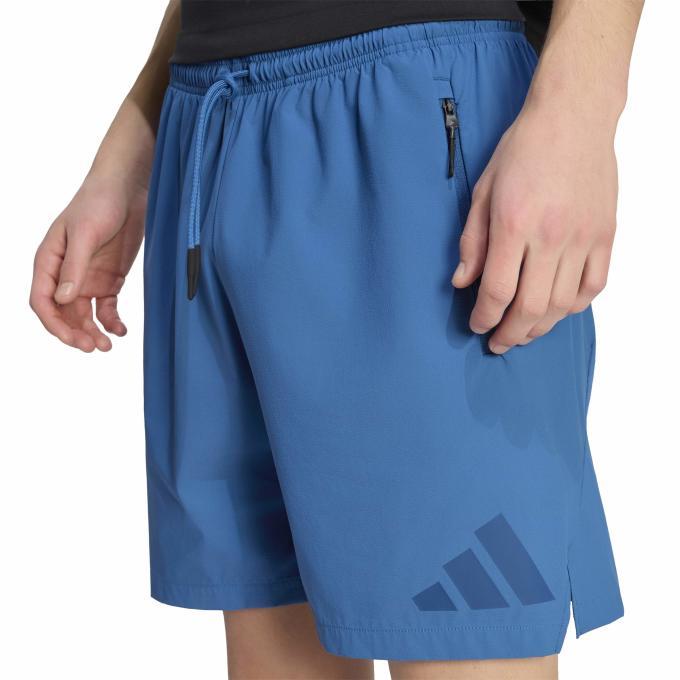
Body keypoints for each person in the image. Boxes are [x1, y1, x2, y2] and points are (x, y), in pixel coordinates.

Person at [29, 1, 643, 677]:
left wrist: (579, 111)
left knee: (465, 632)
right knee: (276, 647)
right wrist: (132, 152)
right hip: (207, 128)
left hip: (413, 119)